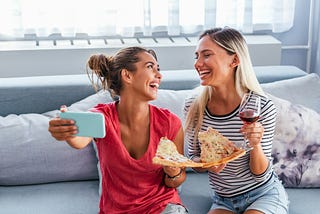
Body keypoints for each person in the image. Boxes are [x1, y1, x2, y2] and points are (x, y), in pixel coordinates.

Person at [48, 46, 188, 214]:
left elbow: (176, 181)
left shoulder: (170, 123)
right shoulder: (102, 117)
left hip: (162, 206)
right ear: (127, 75)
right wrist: (67, 130)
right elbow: (79, 140)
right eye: (150, 67)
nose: (159, 75)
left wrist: (173, 173)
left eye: (158, 69)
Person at [183, 27, 289, 214]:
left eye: (206, 55)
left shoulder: (261, 106)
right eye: (196, 56)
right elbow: (193, 157)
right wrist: (206, 163)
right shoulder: (193, 106)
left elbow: (260, 174)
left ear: (235, 60)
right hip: (223, 200)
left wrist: (255, 144)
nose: (198, 63)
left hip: (263, 194)